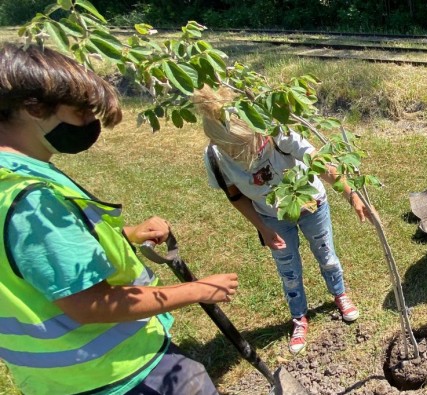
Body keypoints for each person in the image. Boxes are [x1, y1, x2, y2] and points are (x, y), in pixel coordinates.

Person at [0, 43, 239, 394]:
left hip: (60, 378)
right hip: (112, 372)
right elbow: (89, 302)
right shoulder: (33, 202)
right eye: (81, 112)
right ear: (34, 108)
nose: (90, 122)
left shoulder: (12, 180)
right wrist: (197, 290)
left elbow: (43, 263)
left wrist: (127, 236)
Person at [193, 87, 371, 355]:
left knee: (327, 256)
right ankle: (299, 317)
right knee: (288, 270)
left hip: (311, 204)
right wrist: (262, 228)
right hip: (272, 217)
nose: (246, 156)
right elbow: (235, 196)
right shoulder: (215, 158)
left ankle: (339, 294)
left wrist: (352, 194)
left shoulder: (276, 132)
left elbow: (319, 163)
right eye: (236, 152)